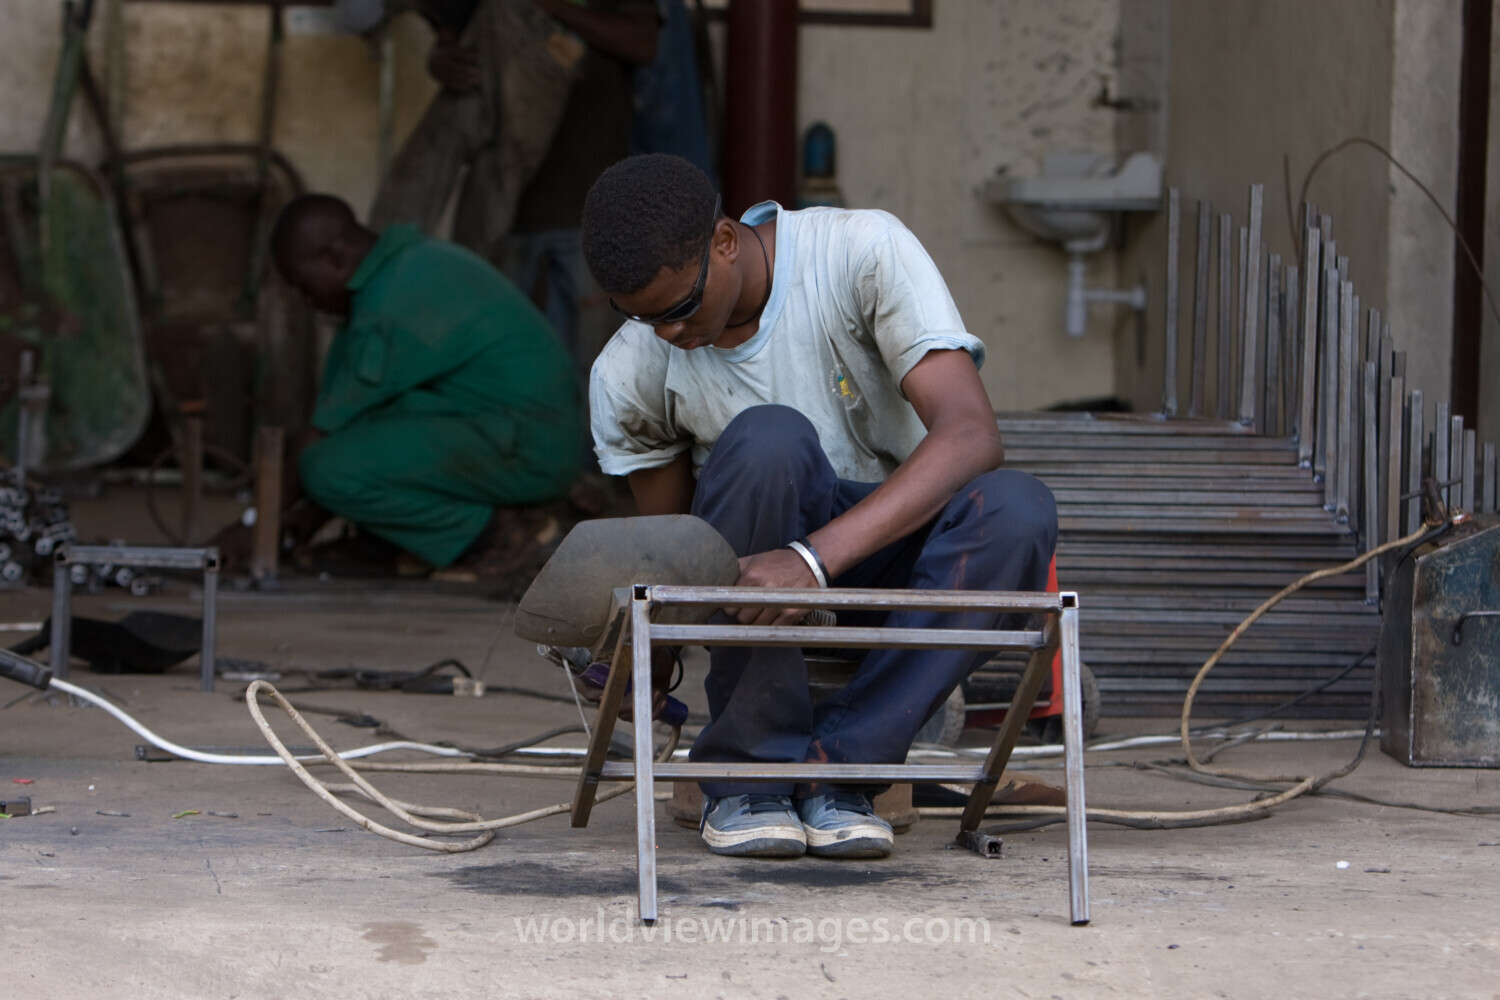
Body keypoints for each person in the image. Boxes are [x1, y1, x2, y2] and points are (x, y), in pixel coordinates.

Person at [581, 154, 1059, 860]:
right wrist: (645, 664)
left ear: (724, 240)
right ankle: (751, 776)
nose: (670, 336)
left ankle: (843, 767)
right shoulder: (629, 371)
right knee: (768, 440)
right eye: (642, 318)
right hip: (747, 568)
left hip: (885, 554)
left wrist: (811, 561)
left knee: (1020, 507)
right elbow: (672, 551)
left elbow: (970, 431)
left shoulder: (859, 253)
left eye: (680, 309)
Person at [258, 193, 581, 575]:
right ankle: (390, 541)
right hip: (519, 435)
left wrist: (255, 526)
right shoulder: (407, 264)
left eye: (304, 284)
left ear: (335, 258)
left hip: (530, 452)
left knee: (323, 467)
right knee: (357, 440)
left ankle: (501, 533)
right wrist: (311, 516)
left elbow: (323, 435)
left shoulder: (384, 307)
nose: (306, 299)